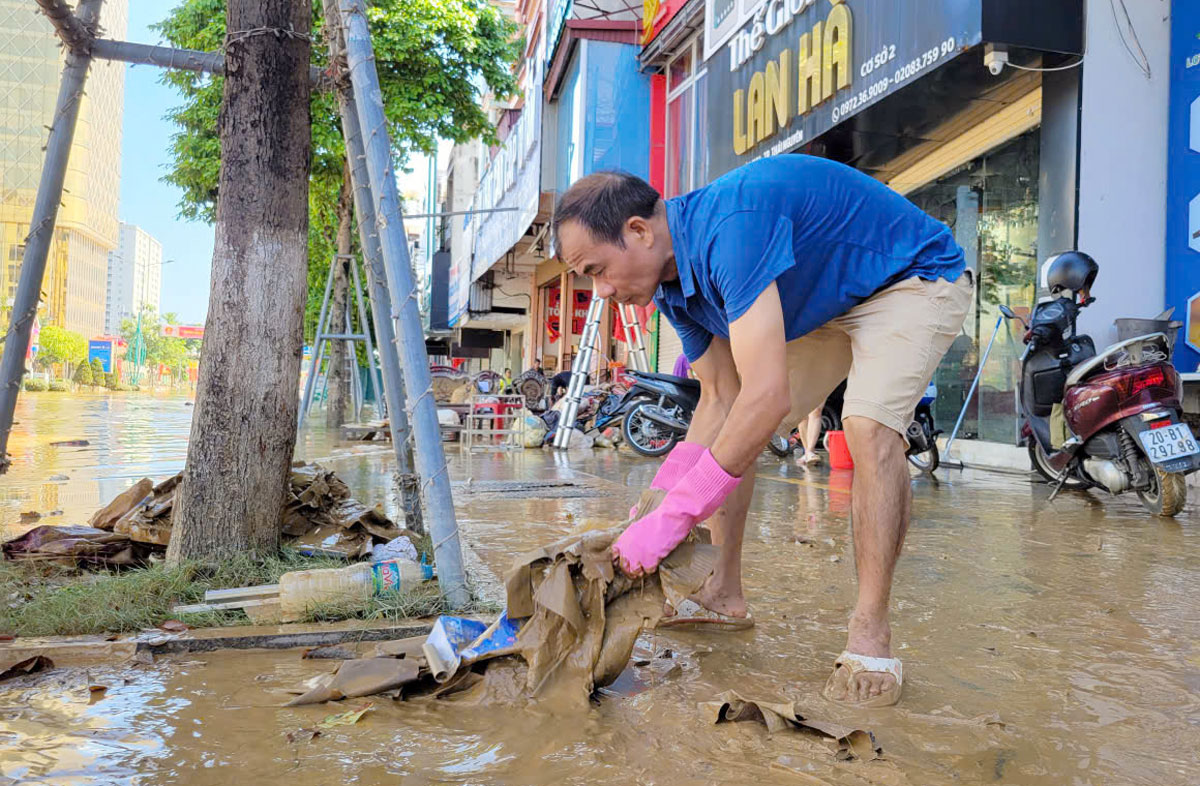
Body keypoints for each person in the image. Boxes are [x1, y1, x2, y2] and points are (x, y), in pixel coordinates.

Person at [552, 155, 972, 708]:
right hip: (826, 308)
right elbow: (720, 401)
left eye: (597, 270)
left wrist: (681, 515)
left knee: (867, 427)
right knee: (740, 426)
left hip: (911, 280)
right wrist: (653, 510)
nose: (600, 291)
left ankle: (870, 632)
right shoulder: (674, 287)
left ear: (638, 231)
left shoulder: (731, 231)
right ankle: (723, 593)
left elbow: (765, 394)